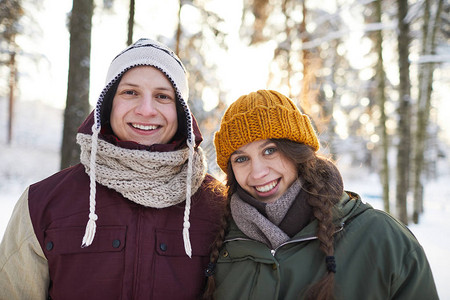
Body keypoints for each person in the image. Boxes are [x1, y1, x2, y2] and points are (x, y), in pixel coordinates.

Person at [0, 38, 225, 300]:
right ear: (108, 104)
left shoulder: (217, 204)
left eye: (163, 96)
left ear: (181, 113)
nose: (146, 110)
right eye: (130, 92)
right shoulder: (41, 203)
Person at [203, 89, 438, 300]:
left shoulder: (382, 238)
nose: (257, 172)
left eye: (270, 150)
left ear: (297, 152)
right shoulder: (220, 244)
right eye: (241, 158)